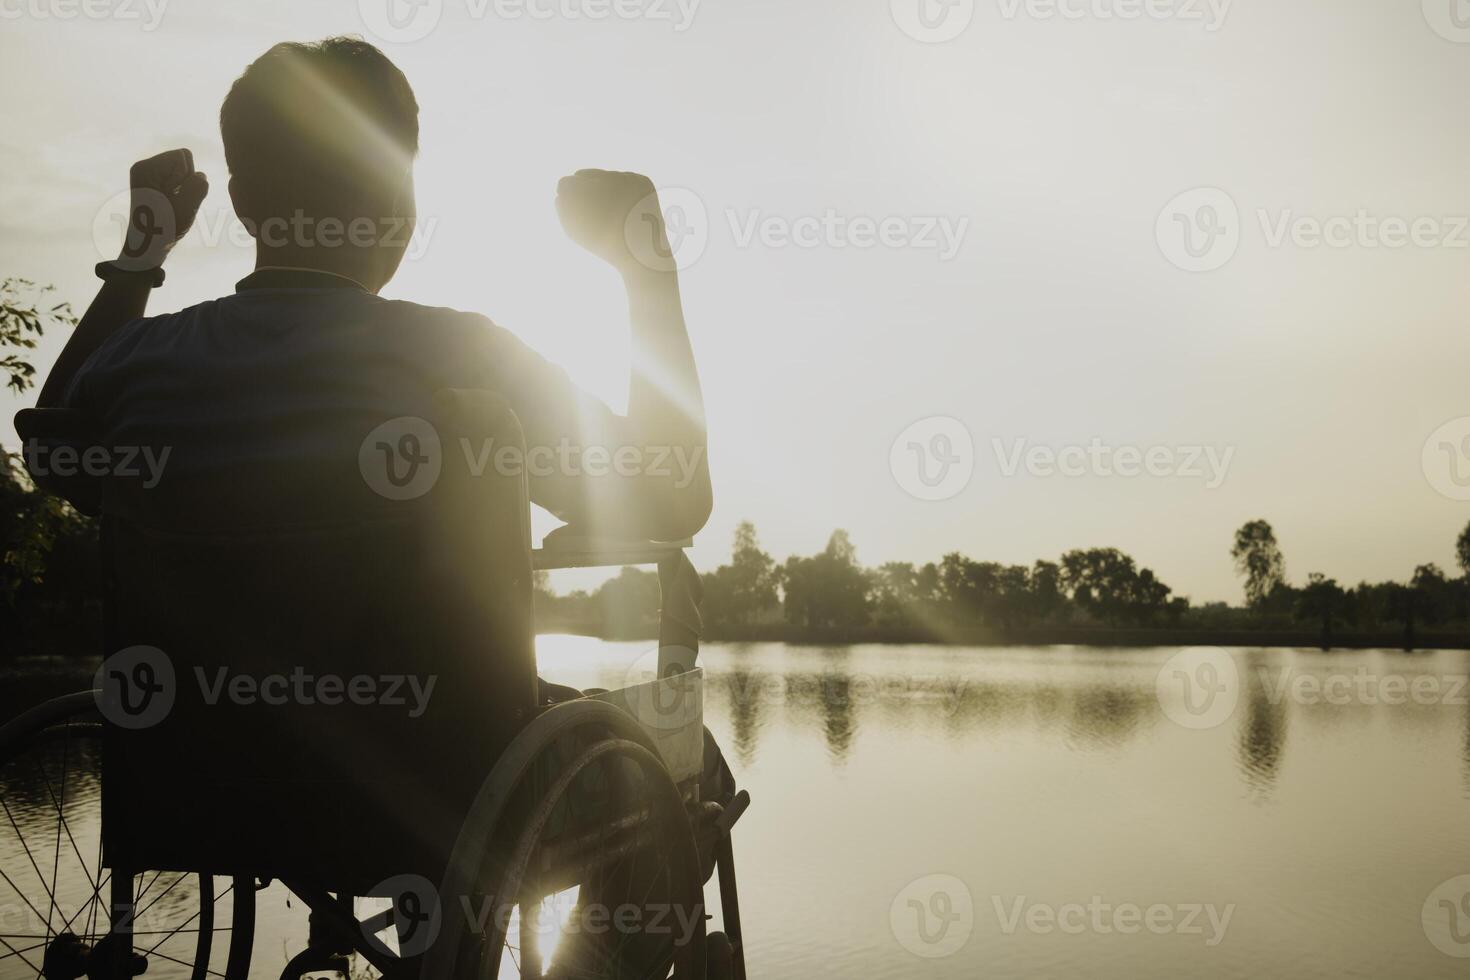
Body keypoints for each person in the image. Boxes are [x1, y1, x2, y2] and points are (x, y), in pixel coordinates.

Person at [37, 36, 733, 820]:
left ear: (240, 201)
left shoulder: (142, 360)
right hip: (453, 790)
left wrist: (141, 256)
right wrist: (647, 274)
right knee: (687, 759)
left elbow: (54, 445)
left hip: (198, 780)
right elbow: (671, 501)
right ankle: (594, 948)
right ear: (397, 201)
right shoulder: (463, 358)